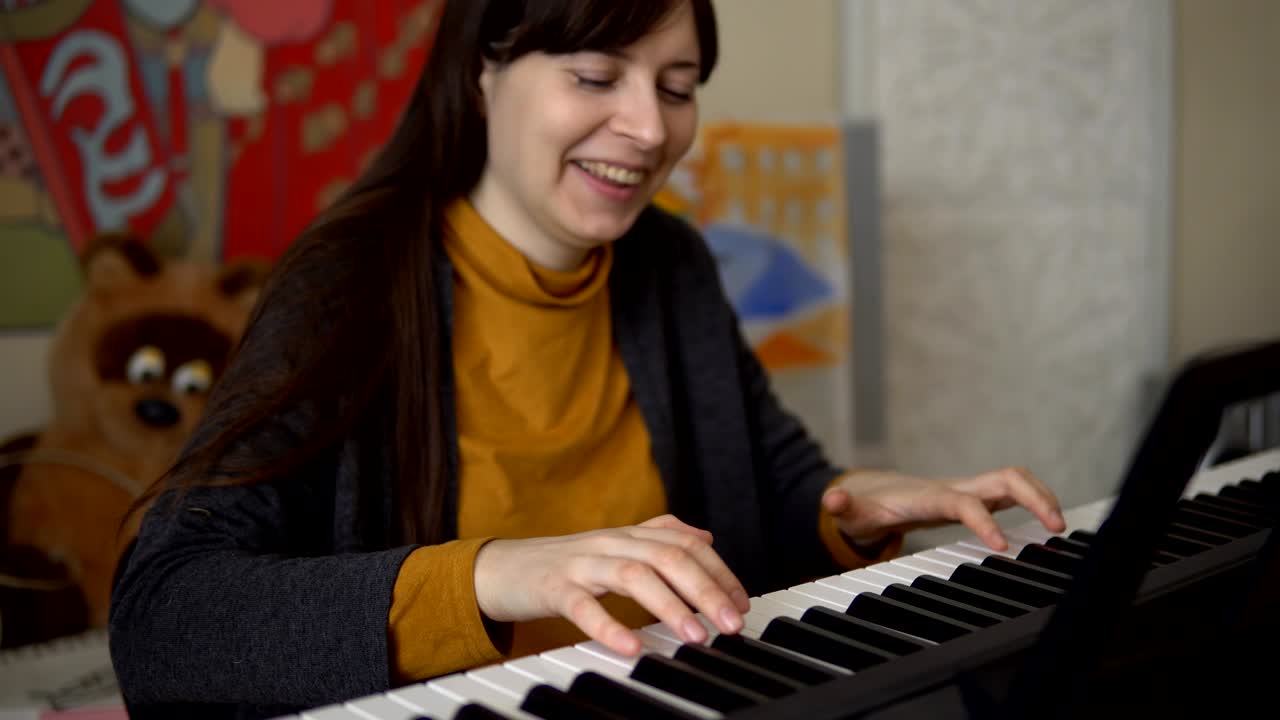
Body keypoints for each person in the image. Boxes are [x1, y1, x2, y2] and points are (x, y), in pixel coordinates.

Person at [107, 1, 1066, 718]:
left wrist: (851, 507)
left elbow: (767, 497)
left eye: (678, 87)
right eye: (599, 76)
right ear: (484, 69)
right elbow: (164, 617)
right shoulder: (348, 287)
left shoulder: (670, 264)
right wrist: (491, 577)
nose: (651, 129)